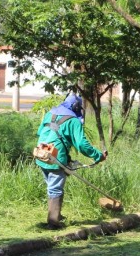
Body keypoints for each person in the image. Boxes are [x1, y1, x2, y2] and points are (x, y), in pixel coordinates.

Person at [35, 93, 106, 229]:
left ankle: (57, 214)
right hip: (55, 157)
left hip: (41, 154)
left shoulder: (51, 113)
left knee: (52, 186)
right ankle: (53, 222)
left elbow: (40, 132)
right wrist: (98, 156)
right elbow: (82, 145)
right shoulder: (73, 120)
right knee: (55, 188)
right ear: (76, 107)